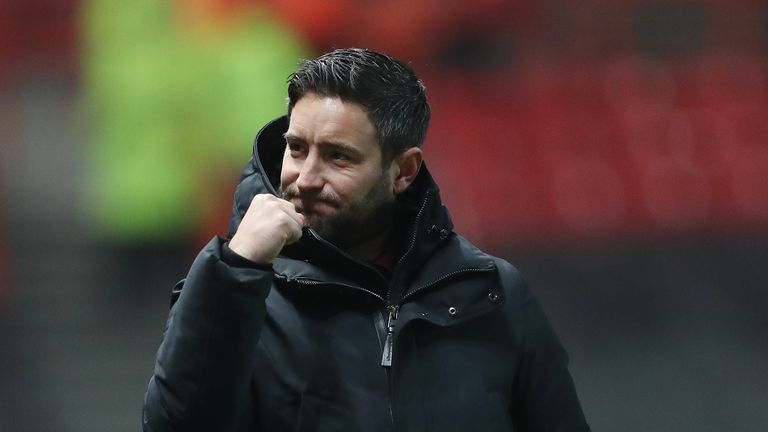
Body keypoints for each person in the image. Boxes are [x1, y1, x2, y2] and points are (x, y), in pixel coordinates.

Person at [143, 48, 590, 432]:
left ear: (404, 171)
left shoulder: (491, 292)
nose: (306, 177)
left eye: (338, 156)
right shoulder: (233, 290)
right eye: (296, 148)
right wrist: (236, 269)